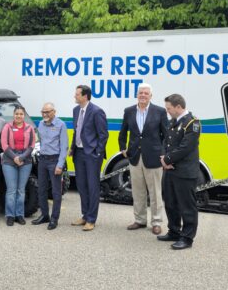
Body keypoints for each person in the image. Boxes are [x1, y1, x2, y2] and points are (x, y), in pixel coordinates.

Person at [118, 83, 168, 235]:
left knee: (155, 193)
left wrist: (164, 153)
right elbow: (123, 131)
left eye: (146, 93)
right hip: (134, 157)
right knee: (138, 192)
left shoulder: (159, 111)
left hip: (153, 157)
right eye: (141, 93)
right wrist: (123, 149)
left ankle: (157, 222)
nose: (143, 95)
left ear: (151, 96)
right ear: (137, 94)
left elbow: (166, 135)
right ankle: (139, 220)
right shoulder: (129, 111)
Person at [159, 94, 201, 250]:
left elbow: (186, 147)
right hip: (170, 170)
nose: (167, 111)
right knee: (170, 203)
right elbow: (165, 141)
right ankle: (174, 231)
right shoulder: (173, 122)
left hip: (184, 172)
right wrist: (164, 158)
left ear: (178, 107)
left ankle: (187, 238)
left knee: (187, 206)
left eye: (169, 108)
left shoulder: (192, 123)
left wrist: (167, 159)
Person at [69, 85, 108, 231]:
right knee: (81, 186)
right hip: (78, 154)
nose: (75, 96)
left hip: (91, 155)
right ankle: (85, 215)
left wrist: (97, 152)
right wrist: (72, 148)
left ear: (85, 96)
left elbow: (104, 135)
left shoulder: (97, 112)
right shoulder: (76, 110)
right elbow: (76, 131)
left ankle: (91, 219)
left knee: (92, 187)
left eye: (77, 94)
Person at [32, 102, 68, 230]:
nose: (44, 114)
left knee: (56, 192)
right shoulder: (41, 124)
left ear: (54, 112)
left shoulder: (61, 125)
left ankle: (54, 218)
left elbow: (64, 147)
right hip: (43, 160)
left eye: (47, 112)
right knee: (41, 189)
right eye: (43, 112)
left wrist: (60, 165)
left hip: (54, 161)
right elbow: (40, 142)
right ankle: (44, 215)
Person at [0, 105, 36, 226]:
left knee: (21, 190)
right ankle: (10, 215)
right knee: (11, 190)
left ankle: (19, 214)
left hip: (25, 160)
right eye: (17, 114)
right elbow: (4, 145)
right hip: (9, 160)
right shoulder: (7, 127)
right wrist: (15, 157)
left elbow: (31, 145)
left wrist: (22, 157)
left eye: (21, 114)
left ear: (24, 115)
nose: (19, 116)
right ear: (13, 115)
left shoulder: (29, 128)